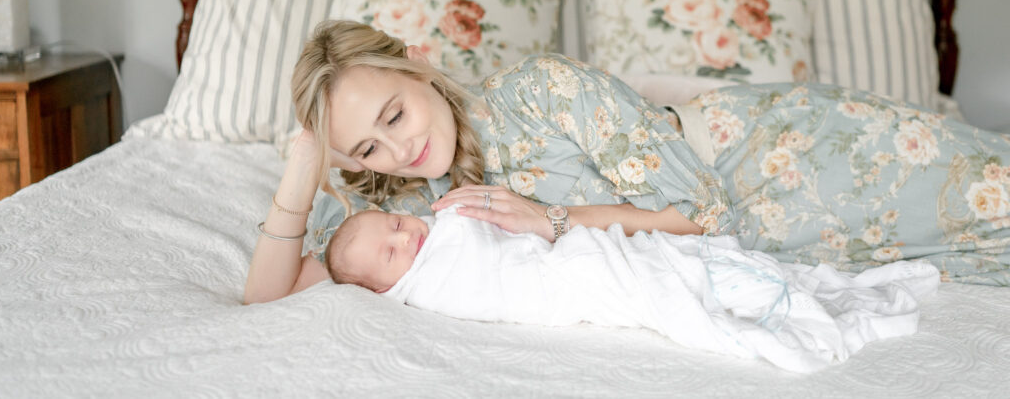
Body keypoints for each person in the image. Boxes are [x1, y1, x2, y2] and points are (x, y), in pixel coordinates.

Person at [244, 20, 1010, 304]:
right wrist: (305, 164)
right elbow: (270, 295)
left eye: (394, 115)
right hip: (777, 235)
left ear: (418, 65)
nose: (400, 150)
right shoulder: (403, 206)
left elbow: (703, 212)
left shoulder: (538, 90)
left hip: (775, 152)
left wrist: (551, 220)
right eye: (368, 149)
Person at [323, 205, 940, 374]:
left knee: (707, 268)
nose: (408, 240)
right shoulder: (434, 281)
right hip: (588, 282)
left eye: (398, 227)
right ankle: (806, 311)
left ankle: (804, 296)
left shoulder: (435, 230)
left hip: (594, 254)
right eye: (391, 253)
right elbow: (478, 255)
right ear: (386, 290)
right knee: (688, 284)